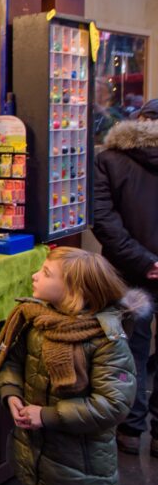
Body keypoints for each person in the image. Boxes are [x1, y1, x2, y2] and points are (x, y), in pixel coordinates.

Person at [0, 248, 147, 485]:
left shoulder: (106, 340)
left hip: (83, 467)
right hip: (42, 456)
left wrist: (46, 415)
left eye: (46, 273)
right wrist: (11, 392)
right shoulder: (38, 320)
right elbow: (13, 362)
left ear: (75, 290)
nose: (35, 276)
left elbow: (112, 405)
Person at [92, 98, 158, 456]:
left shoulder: (109, 159)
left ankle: (130, 429)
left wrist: (144, 261)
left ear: (138, 120)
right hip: (134, 268)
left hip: (128, 271)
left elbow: (104, 220)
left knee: (129, 348)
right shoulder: (110, 159)